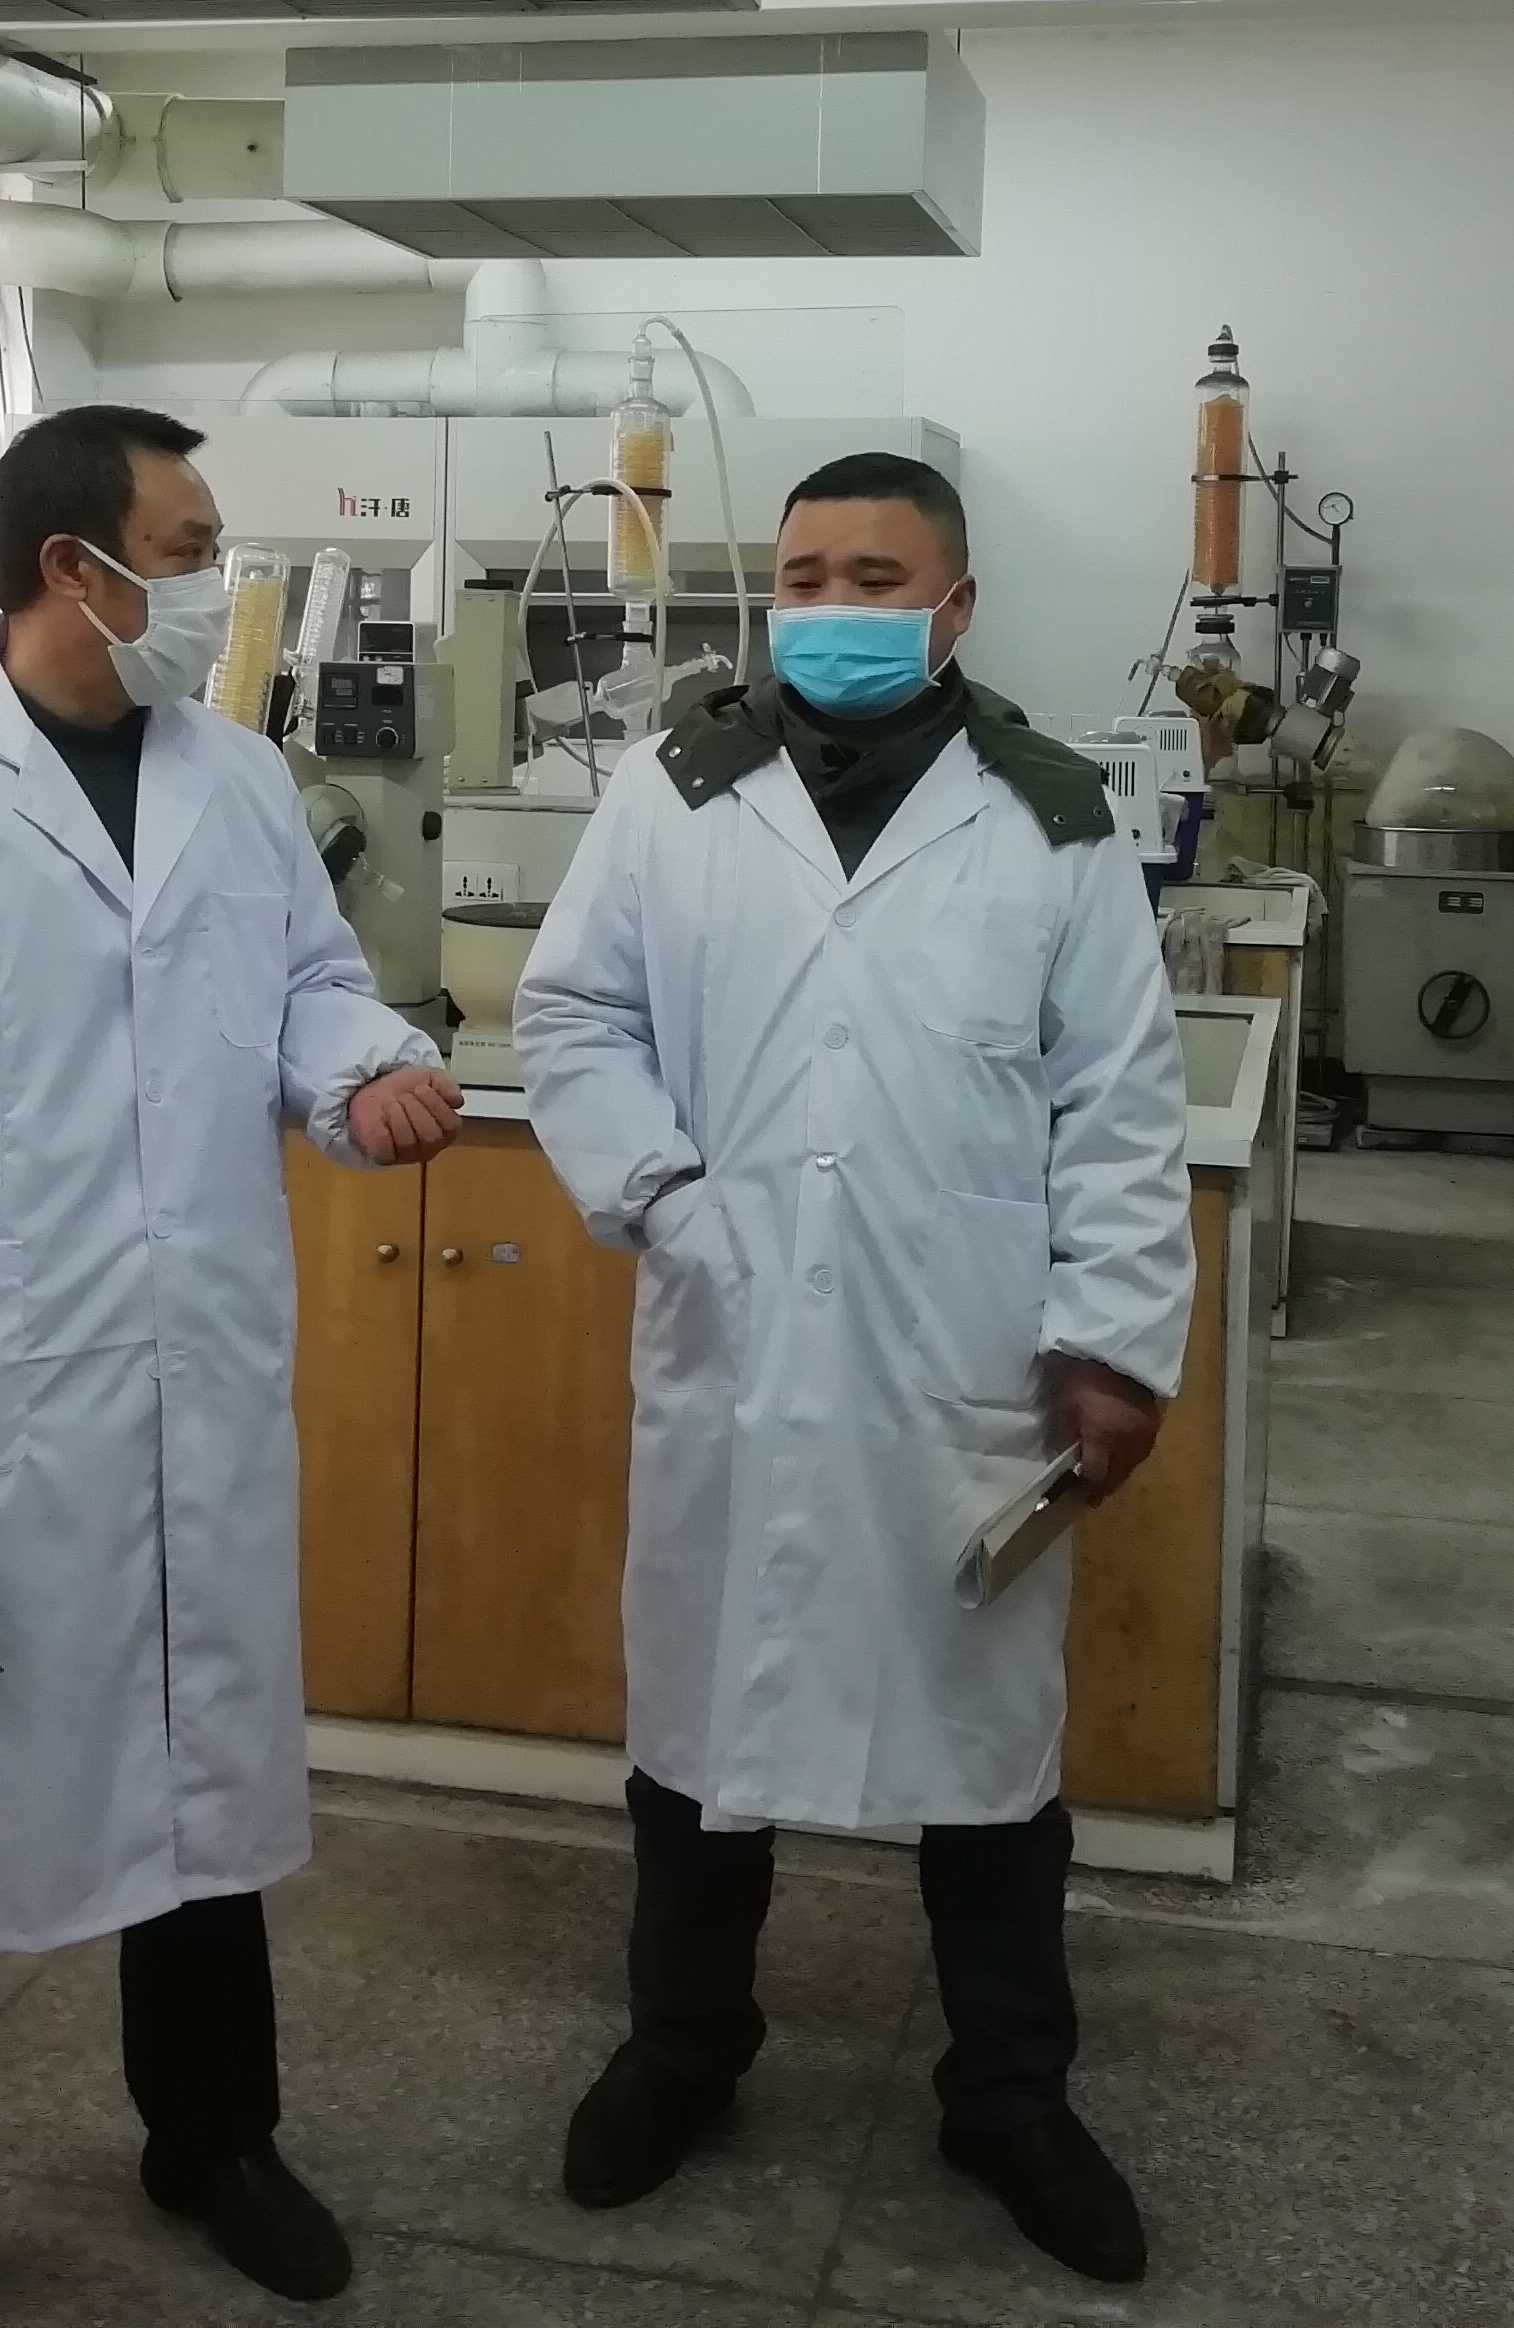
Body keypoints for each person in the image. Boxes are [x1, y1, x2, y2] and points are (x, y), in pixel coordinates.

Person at [0, 403, 465, 2328]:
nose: (218, 583)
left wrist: (363, 1070)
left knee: (196, 1791)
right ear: (76, 566)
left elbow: (305, 983)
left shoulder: (238, 777)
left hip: (187, 1375)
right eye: (191, 548)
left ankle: (213, 2140)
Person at [510, 451, 1193, 2285]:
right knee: (699, 1725)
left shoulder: (1051, 817)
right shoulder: (675, 790)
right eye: (803, 576)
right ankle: (682, 2048)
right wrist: (660, 1191)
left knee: (984, 1749)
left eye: (875, 580)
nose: (830, 608)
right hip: (734, 1328)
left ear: (955, 608)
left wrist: (1113, 1344)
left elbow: (1121, 1104)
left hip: (962, 1351)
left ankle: (1012, 2095)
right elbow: (572, 1013)